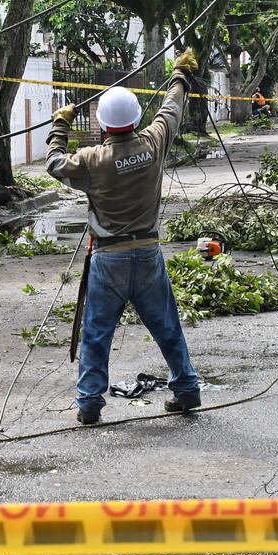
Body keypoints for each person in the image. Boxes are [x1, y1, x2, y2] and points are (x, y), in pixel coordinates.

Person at [47, 49, 202, 425]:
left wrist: (59, 126)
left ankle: (88, 406)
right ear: (136, 119)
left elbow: (54, 164)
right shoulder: (154, 142)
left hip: (109, 259)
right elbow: (172, 109)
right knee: (167, 327)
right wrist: (179, 74)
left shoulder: (91, 160)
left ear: (102, 124)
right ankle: (186, 391)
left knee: (97, 335)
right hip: (147, 254)